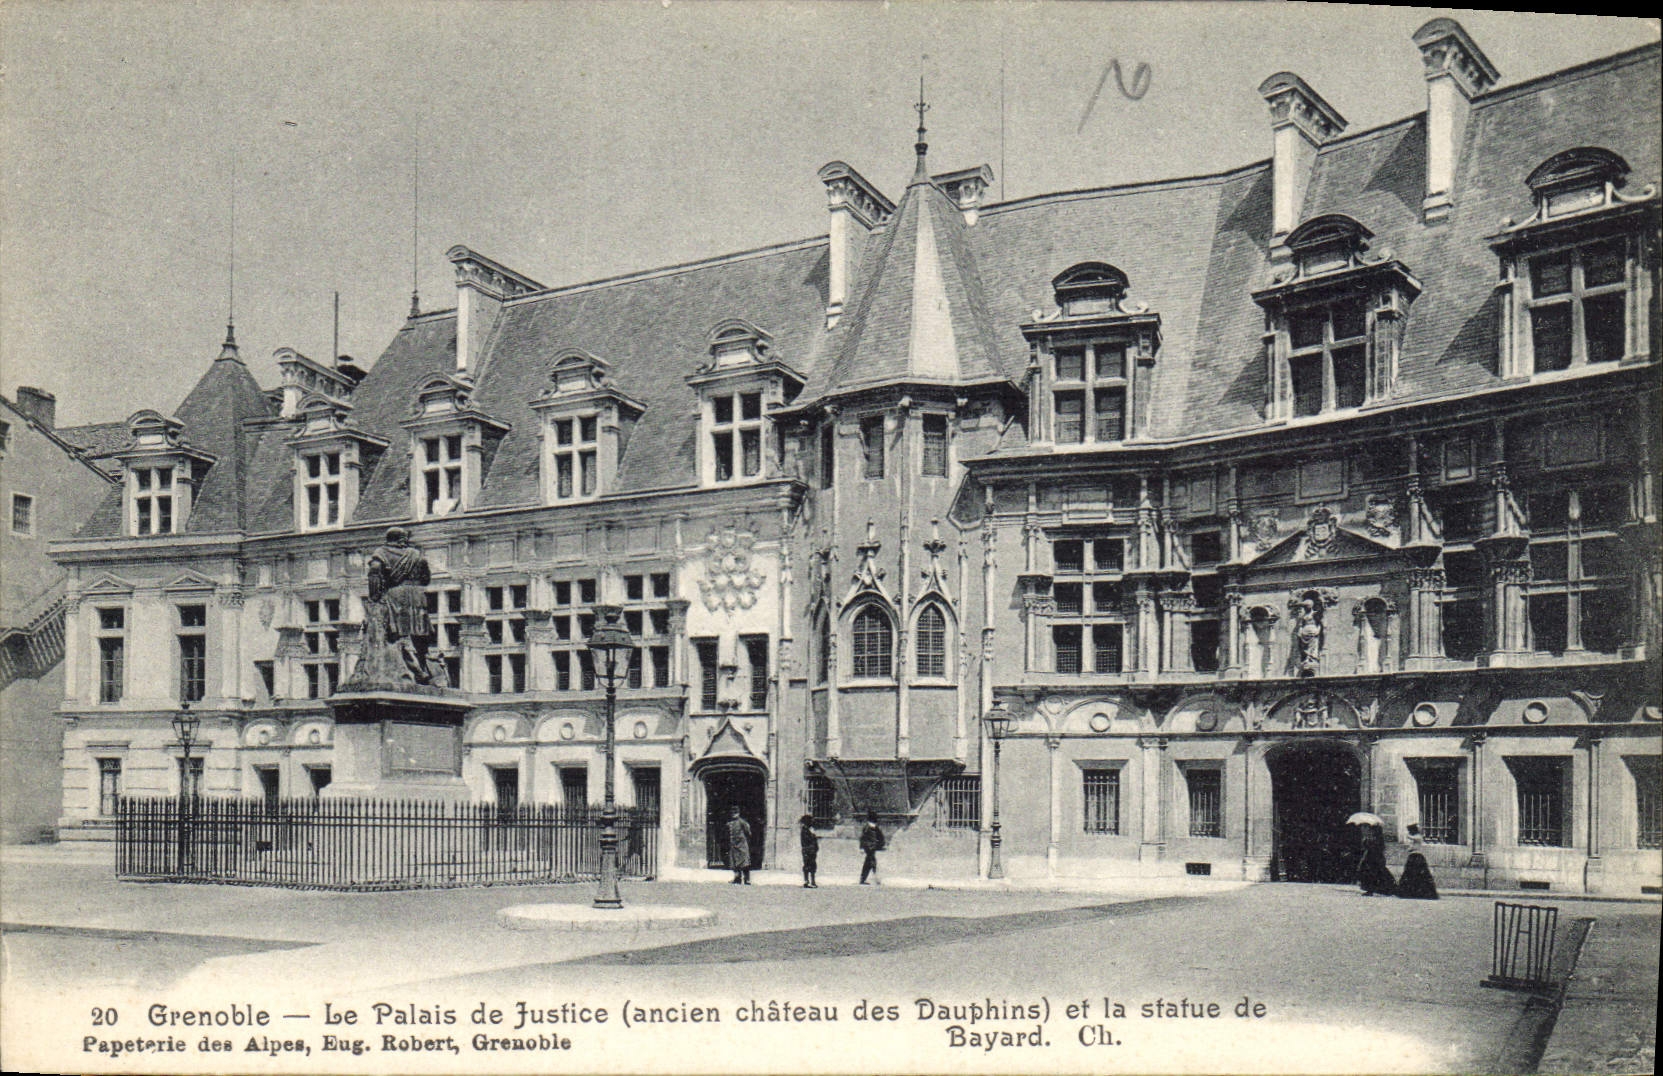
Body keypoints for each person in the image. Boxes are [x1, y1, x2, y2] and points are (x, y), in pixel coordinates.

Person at [363, 527, 445, 686]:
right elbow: (426, 578)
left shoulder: (381, 553)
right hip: (417, 596)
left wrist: (374, 596)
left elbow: (374, 571)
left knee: (398, 635)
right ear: (402, 539)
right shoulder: (416, 554)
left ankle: (414, 671)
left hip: (396, 595)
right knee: (420, 634)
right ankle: (423, 667)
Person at [1397, 825, 1439, 900]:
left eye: (1410, 831)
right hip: (1413, 856)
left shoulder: (1418, 837)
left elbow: (1410, 838)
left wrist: (1407, 834)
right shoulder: (1416, 839)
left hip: (1417, 856)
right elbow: (1411, 847)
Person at [1356, 823, 1396, 896]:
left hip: (1375, 858)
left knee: (1375, 874)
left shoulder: (1378, 839)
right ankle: (1371, 890)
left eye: (1372, 830)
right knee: (1371, 874)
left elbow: (1374, 848)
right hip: (1372, 858)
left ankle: (1378, 890)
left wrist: (1367, 842)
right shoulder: (1373, 838)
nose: (1371, 831)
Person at [726, 806, 752, 885]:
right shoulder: (730, 823)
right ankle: (737, 878)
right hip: (734, 845)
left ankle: (747, 879)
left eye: (735, 813)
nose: (734, 815)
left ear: (738, 813)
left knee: (745, 862)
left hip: (742, 845)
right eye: (732, 813)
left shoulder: (742, 822)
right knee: (735, 863)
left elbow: (748, 832)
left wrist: (745, 840)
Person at [858, 812, 885, 885]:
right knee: (872, 862)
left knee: (868, 863)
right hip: (869, 848)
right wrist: (862, 847)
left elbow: (863, 838)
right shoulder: (869, 828)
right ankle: (876, 879)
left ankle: (863, 879)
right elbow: (863, 838)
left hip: (870, 847)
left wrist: (862, 847)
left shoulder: (871, 828)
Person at [798, 813, 819, 888]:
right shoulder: (805, 830)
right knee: (807, 865)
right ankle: (806, 881)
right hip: (807, 850)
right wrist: (813, 835)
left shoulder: (808, 830)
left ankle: (812, 881)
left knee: (812, 865)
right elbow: (807, 841)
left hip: (811, 850)